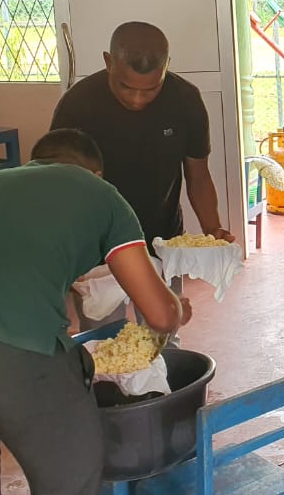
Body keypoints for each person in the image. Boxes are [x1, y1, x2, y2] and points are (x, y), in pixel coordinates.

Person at [0, 129, 190, 494]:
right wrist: (178, 310)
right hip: (13, 353)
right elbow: (158, 316)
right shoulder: (99, 193)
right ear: (94, 173)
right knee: (68, 480)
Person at [50, 21, 232, 335]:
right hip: (98, 249)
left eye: (150, 89)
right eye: (125, 86)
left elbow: (198, 175)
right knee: (108, 341)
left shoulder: (185, 100)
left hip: (160, 240)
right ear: (108, 62)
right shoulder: (78, 106)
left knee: (164, 334)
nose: (137, 99)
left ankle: (165, 385)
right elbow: (58, 186)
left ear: (167, 68)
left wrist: (211, 229)